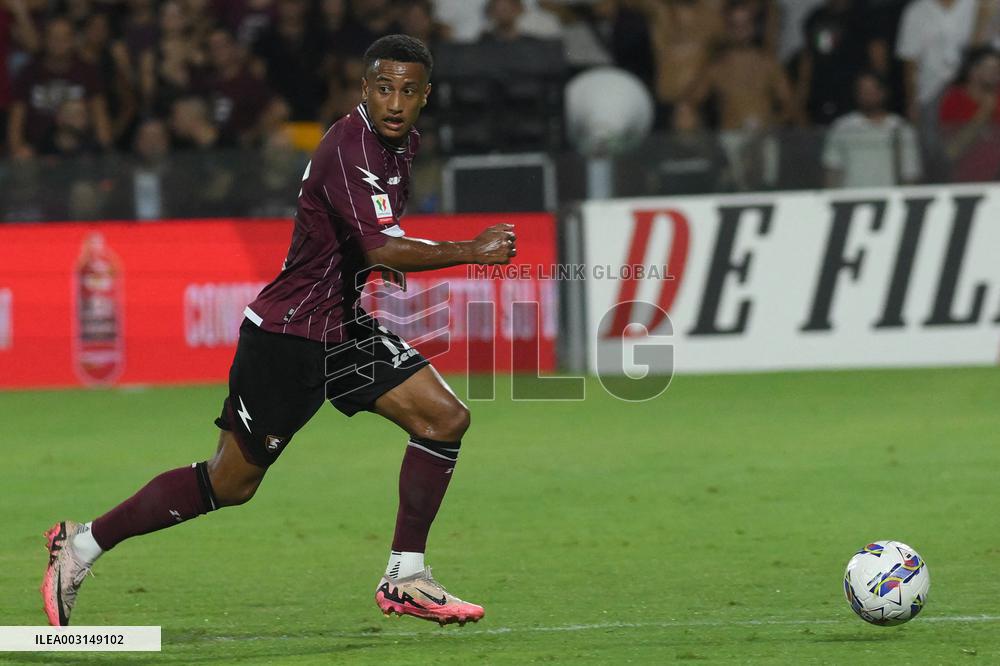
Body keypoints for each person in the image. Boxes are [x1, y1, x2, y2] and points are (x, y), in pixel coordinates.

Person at [40, 34, 515, 628]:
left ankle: (406, 576)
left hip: (342, 329)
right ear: (364, 89)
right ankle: (80, 545)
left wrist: (375, 259)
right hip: (289, 337)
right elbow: (376, 240)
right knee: (230, 483)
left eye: (409, 91)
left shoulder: (403, 145)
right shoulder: (350, 145)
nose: (395, 102)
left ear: (424, 97)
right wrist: (469, 249)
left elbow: (361, 238)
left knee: (445, 418)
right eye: (384, 88)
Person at [822, 71, 922, 188]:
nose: (867, 94)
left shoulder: (901, 128)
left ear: (884, 92)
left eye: (872, 89)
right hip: (850, 201)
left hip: (889, 202)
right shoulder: (842, 127)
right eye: (863, 90)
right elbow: (832, 170)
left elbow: (910, 174)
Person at [937, 46, 1000, 182]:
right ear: (973, 70)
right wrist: (983, 114)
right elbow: (951, 151)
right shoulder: (955, 98)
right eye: (990, 68)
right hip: (967, 181)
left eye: (998, 68)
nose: (996, 73)